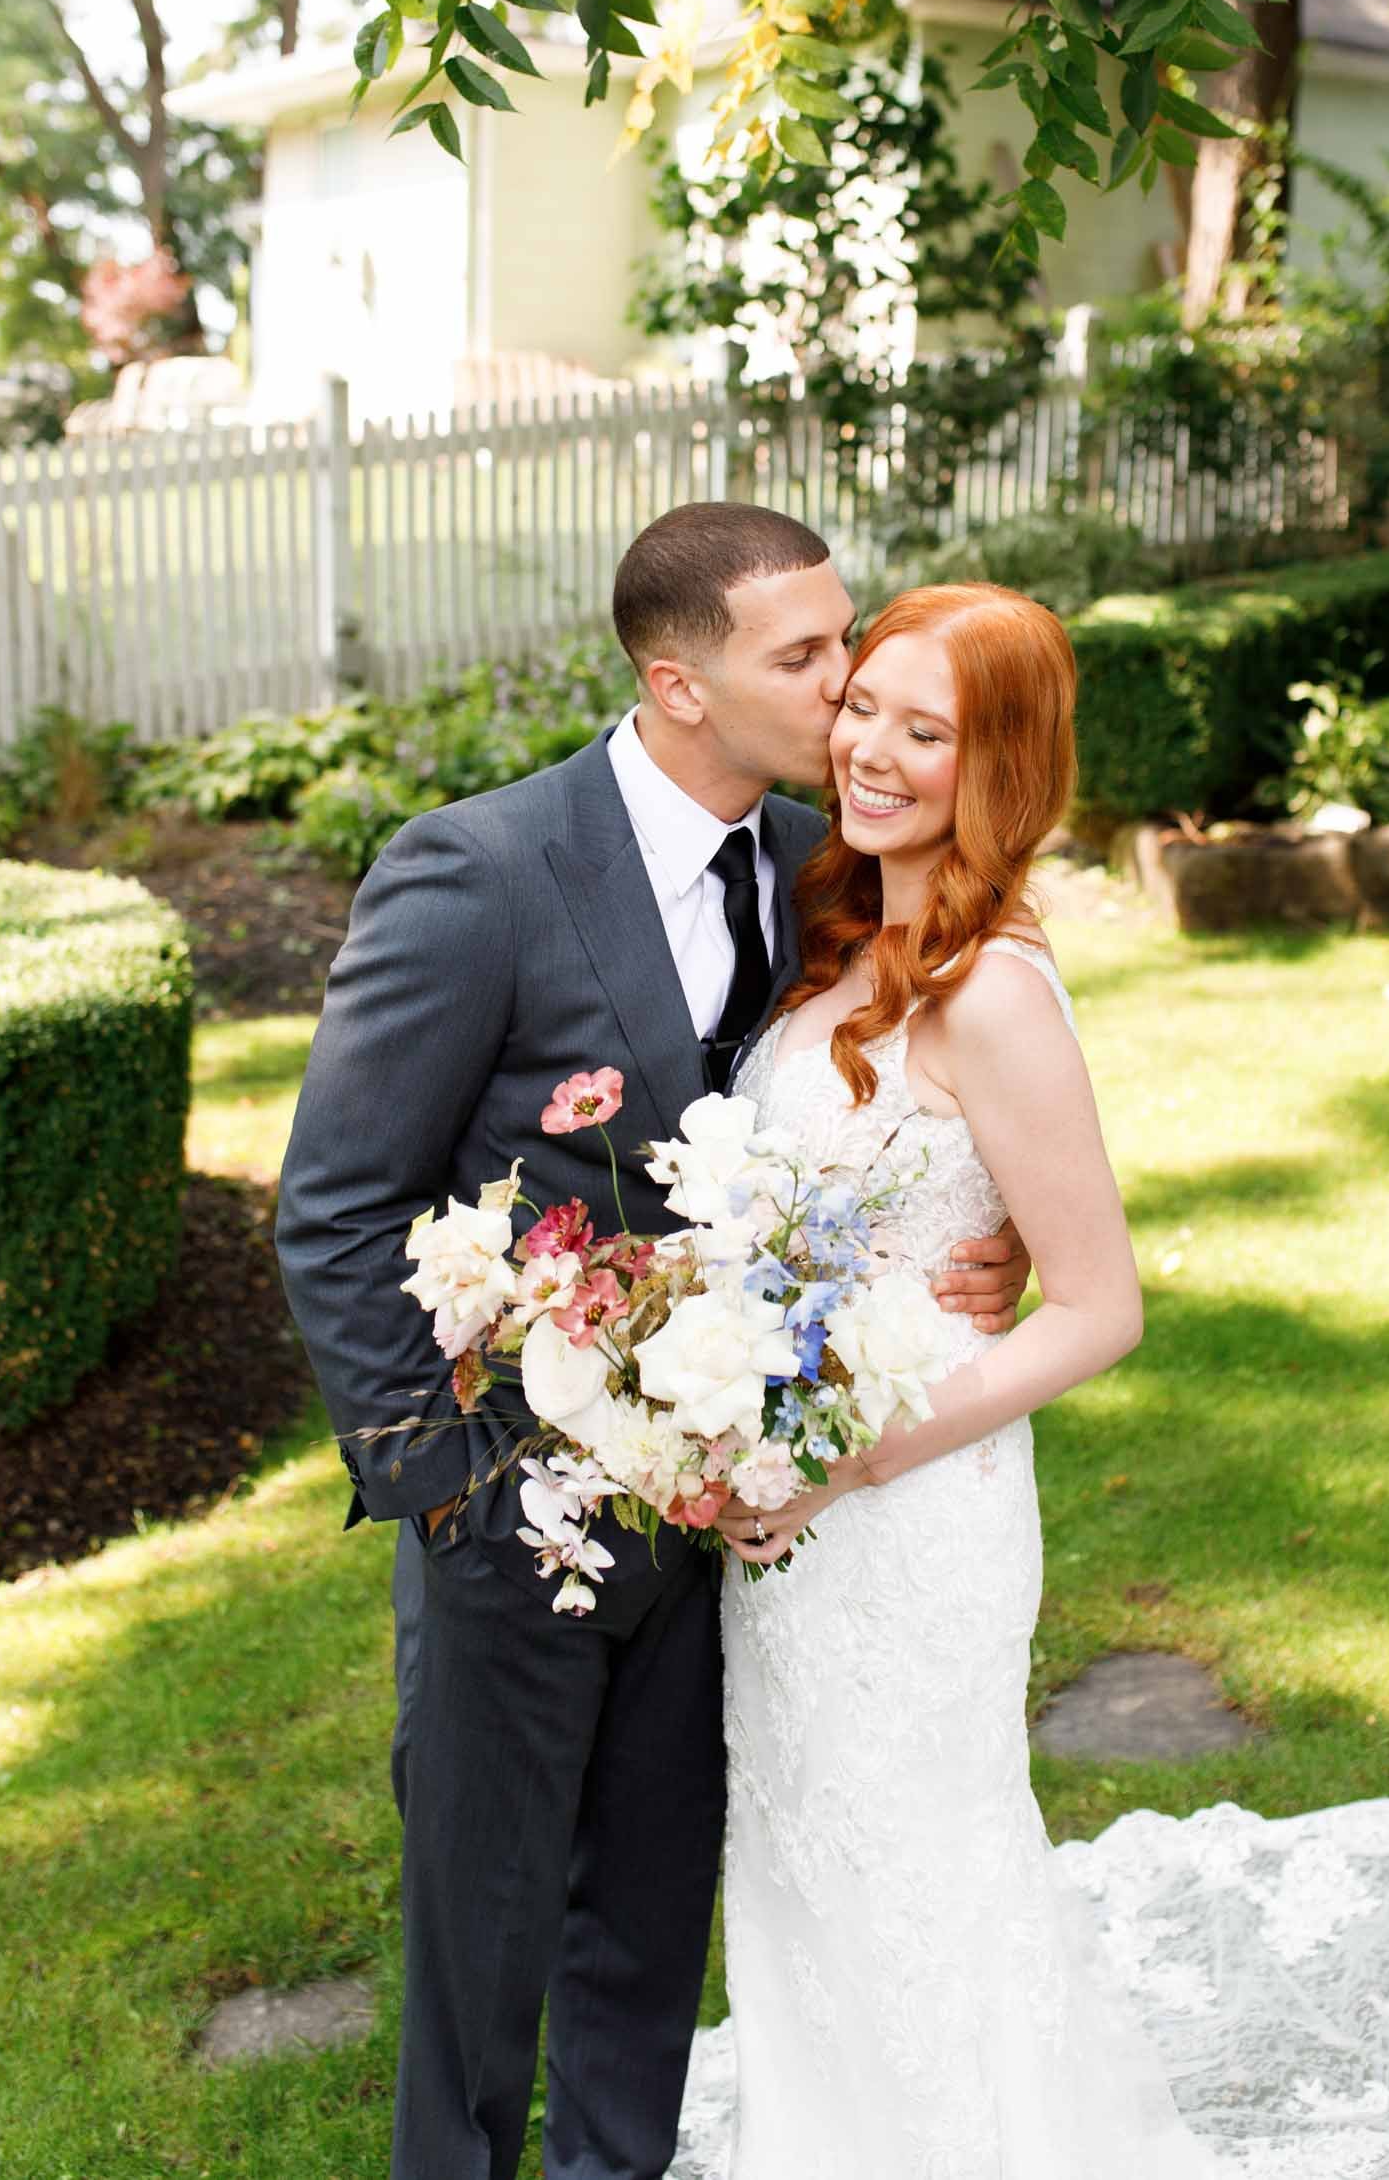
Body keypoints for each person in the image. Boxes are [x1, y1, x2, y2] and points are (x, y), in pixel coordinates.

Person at [274, 509, 1032, 2180]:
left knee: (647, 1925)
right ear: (678, 683)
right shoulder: (477, 871)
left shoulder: (804, 869)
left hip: (734, 1522)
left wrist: (994, 1243)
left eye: (844, 642)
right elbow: (335, 1205)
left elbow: (910, 1108)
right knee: (483, 1961)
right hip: (516, 1522)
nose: (846, 691)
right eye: (808, 657)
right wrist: (446, 1482)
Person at [697, 581, 1228, 2177]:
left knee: (921, 1873)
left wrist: (857, 1452)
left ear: (993, 767)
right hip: (787, 1514)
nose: (866, 748)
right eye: (864, 705)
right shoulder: (831, 925)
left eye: (923, 733)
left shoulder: (993, 989)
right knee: (805, 1866)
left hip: (912, 1514)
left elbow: (1102, 1307)